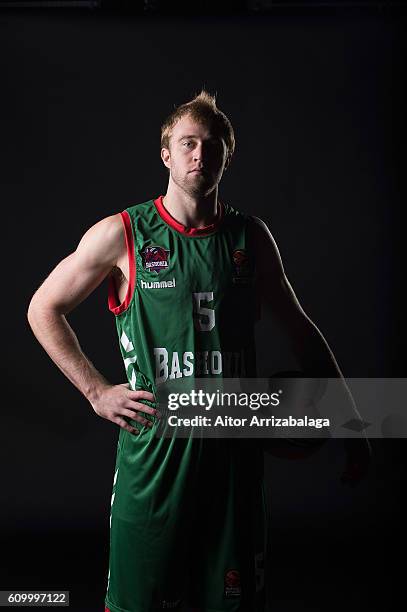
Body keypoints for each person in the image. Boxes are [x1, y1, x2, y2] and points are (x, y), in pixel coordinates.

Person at [27, 90, 371, 612]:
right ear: (166, 154)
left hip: (232, 450)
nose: (199, 155)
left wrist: (353, 425)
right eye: (188, 144)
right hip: (156, 449)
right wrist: (96, 391)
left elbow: (301, 331)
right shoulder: (122, 234)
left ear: (226, 157)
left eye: (212, 146)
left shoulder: (250, 237)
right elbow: (41, 309)